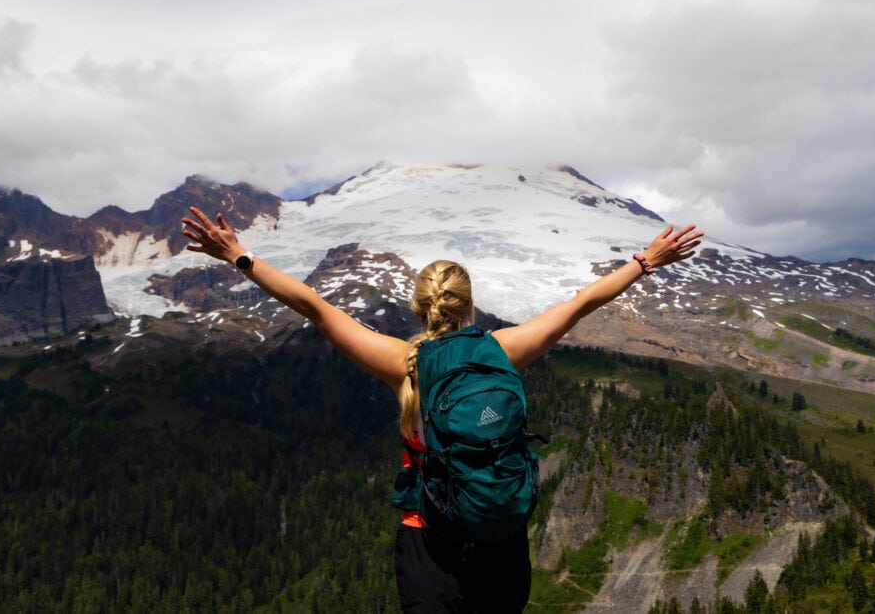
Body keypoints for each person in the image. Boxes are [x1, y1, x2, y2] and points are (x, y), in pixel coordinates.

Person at [181, 205, 702, 613]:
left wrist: (239, 257)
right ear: (470, 304)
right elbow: (582, 303)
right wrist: (644, 261)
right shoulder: (505, 349)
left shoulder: (403, 362)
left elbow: (315, 307)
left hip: (429, 537)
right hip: (499, 532)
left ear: (418, 305)